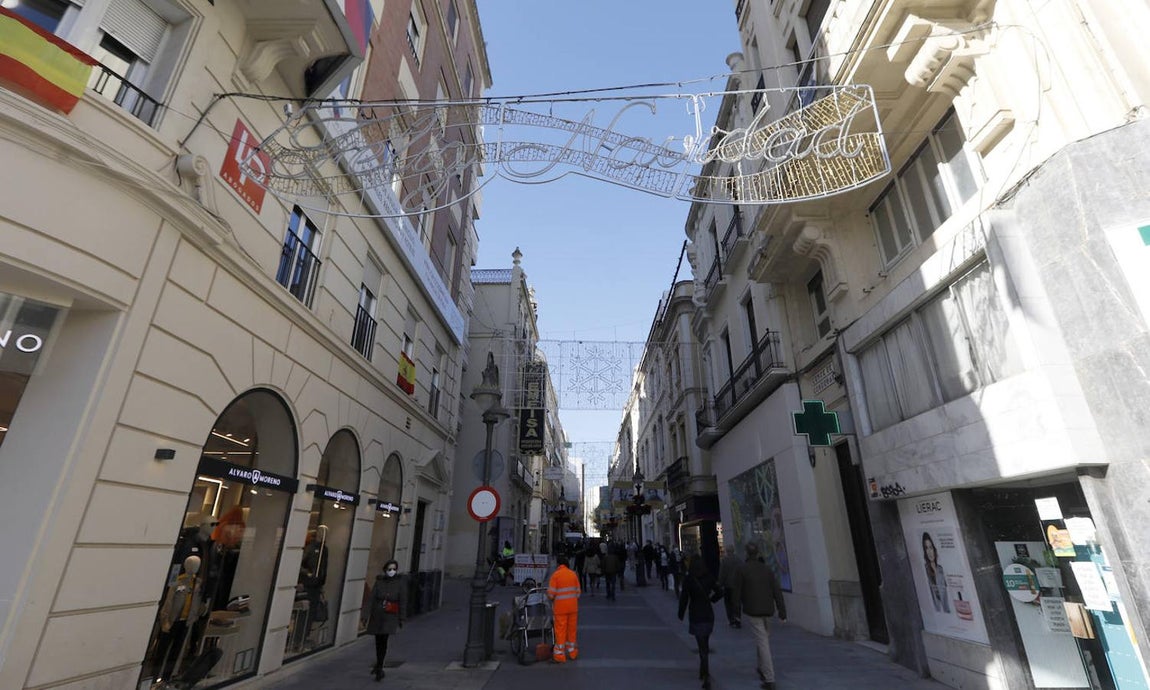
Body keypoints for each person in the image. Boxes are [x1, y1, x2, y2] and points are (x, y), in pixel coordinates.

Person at [735, 543, 787, 690]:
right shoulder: (766, 569)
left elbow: (737, 592)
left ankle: (769, 678)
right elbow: (777, 591)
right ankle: (761, 666)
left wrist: (735, 612)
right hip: (767, 609)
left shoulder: (743, 569)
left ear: (746, 553)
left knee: (763, 642)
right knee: (763, 638)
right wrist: (782, 612)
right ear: (757, 553)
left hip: (753, 610)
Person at [678, 555, 723, 689]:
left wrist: (681, 613)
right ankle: (703, 671)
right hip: (708, 613)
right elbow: (720, 592)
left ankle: (706, 674)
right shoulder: (709, 577)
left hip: (696, 614)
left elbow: (684, 598)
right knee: (705, 643)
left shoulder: (689, 579)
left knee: (701, 645)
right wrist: (711, 600)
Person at [365, 559, 406, 682]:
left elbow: (402, 601)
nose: (392, 571)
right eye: (390, 569)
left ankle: (380, 667)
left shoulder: (400, 583)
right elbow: (371, 598)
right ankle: (379, 664)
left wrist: (402, 618)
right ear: (385, 570)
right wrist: (365, 615)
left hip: (390, 615)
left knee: (384, 640)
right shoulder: (379, 582)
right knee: (378, 640)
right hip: (378, 614)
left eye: (394, 569)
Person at [546, 554, 581, 663]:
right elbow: (578, 593)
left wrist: (549, 595)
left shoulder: (555, 576)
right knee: (571, 631)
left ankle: (559, 655)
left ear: (558, 564)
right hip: (573, 608)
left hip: (560, 609)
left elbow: (551, 595)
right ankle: (573, 652)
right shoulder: (573, 574)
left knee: (560, 631)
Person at [922, 532, 949, 613]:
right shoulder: (925, 569)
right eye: (926, 548)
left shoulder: (941, 569)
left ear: (934, 549)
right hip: (936, 612)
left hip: (947, 611)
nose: (929, 551)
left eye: (931, 547)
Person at [717, 549, 742, 628]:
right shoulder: (738, 560)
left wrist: (720, 583)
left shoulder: (724, 561)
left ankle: (731, 619)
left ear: (727, 552)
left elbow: (722, 573)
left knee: (728, 604)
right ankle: (737, 618)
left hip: (727, 585)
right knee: (737, 602)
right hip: (737, 585)